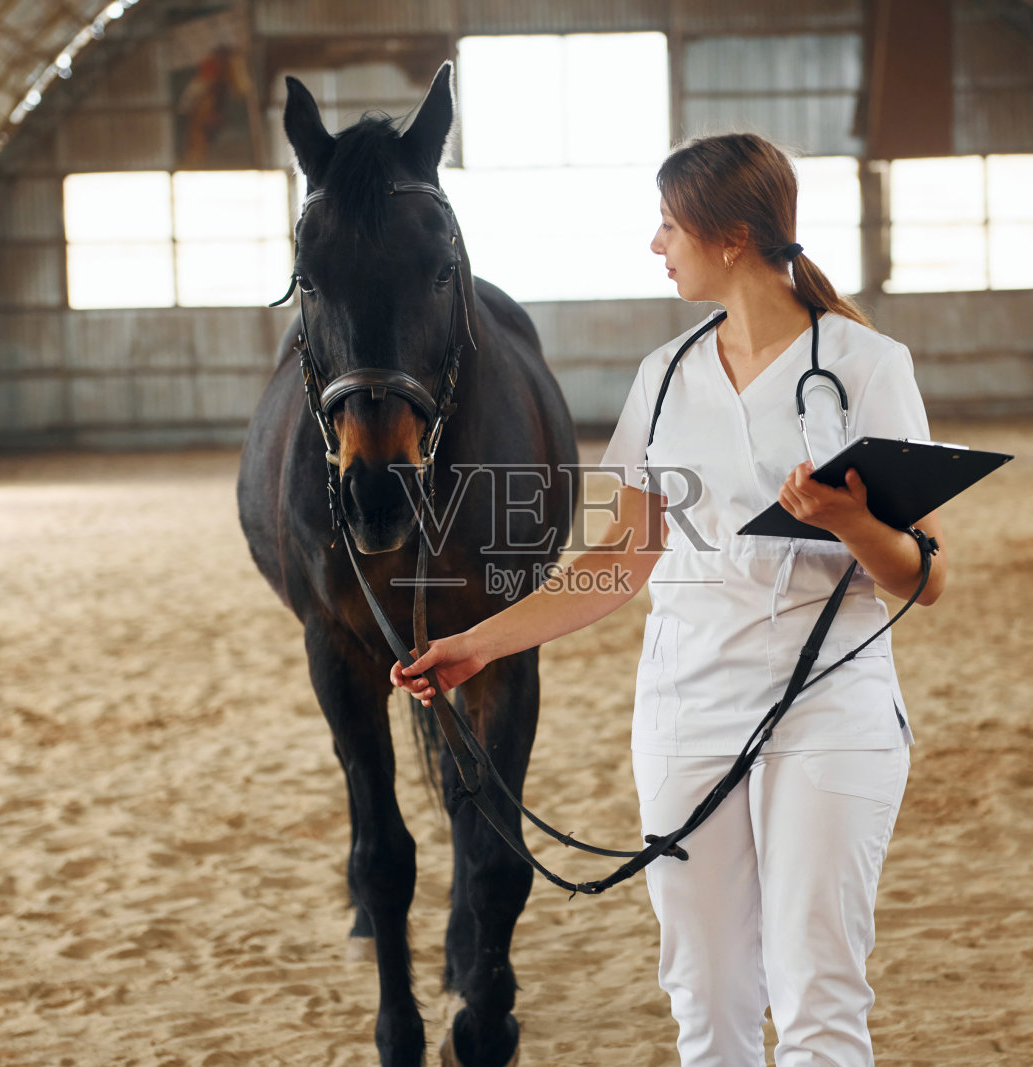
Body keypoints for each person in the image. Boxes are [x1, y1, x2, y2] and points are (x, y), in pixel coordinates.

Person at [389, 131, 949, 1067]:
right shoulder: (662, 380)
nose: (657, 245)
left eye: (667, 224)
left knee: (819, 997)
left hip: (829, 715)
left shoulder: (865, 365)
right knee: (707, 998)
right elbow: (618, 559)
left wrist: (850, 522)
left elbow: (926, 577)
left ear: (730, 237)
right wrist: (479, 642)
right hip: (685, 713)